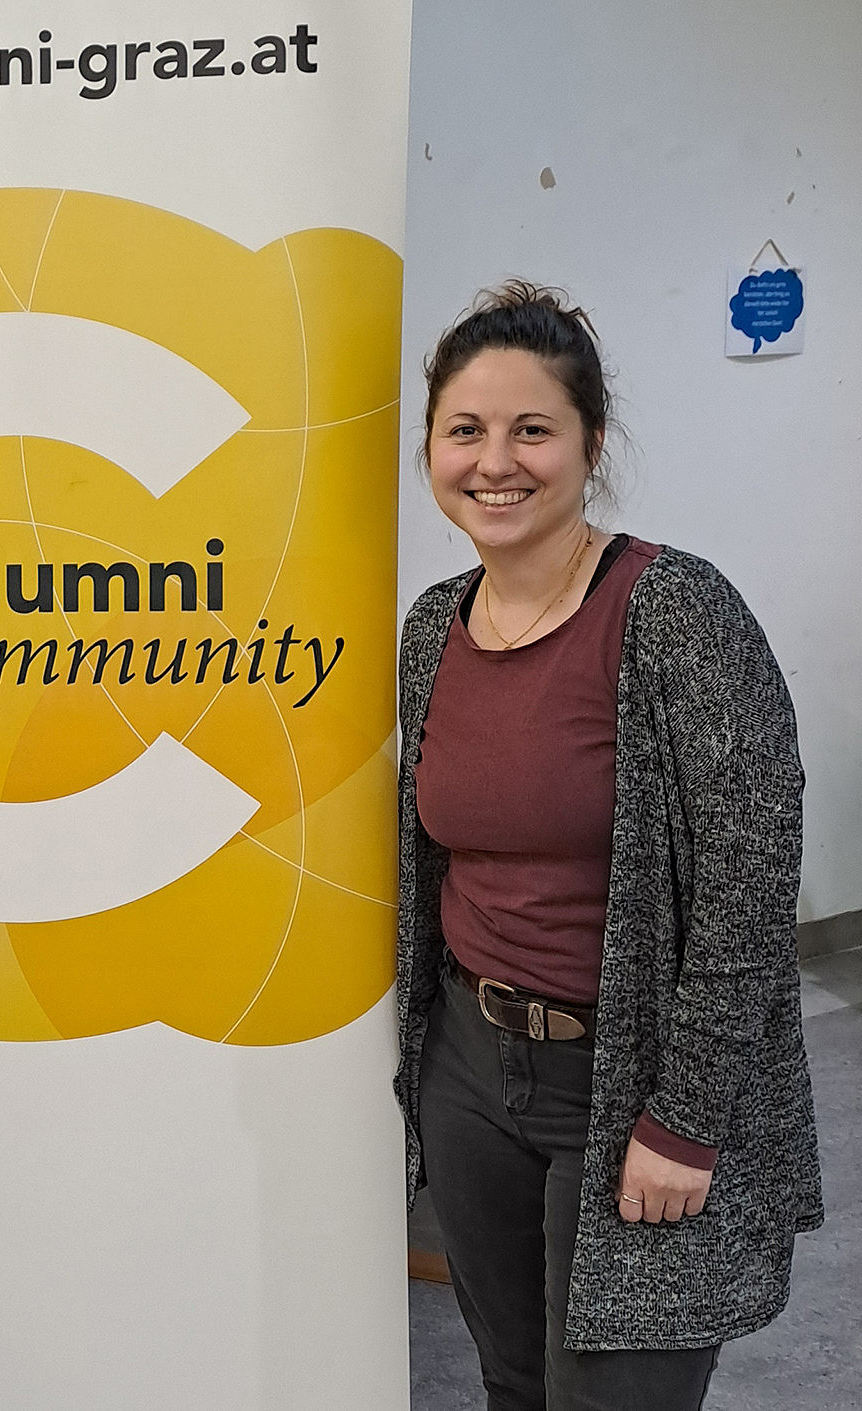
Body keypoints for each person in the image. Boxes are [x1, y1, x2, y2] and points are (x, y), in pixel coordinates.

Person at [392, 282, 821, 1409]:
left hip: (630, 1077)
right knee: (514, 1382)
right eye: (465, 430)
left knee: (616, 1395)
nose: (496, 461)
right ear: (432, 446)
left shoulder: (675, 610)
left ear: (590, 440)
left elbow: (748, 879)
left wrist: (686, 1119)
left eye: (532, 428)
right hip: (472, 1071)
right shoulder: (433, 625)